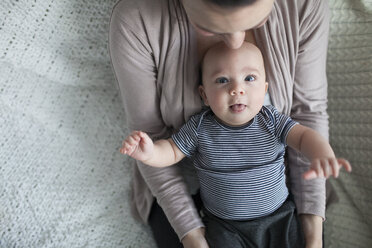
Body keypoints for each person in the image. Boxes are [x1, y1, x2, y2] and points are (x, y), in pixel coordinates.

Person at [109, 0, 333, 247]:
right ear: (203, 94)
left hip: (281, 204)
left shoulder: (271, 119)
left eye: (250, 78)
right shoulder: (198, 127)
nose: (236, 41)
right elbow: (162, 144)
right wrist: (149, 152)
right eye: (209, 26)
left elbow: (306, 125)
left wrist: (320, 156)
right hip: (206, 210)